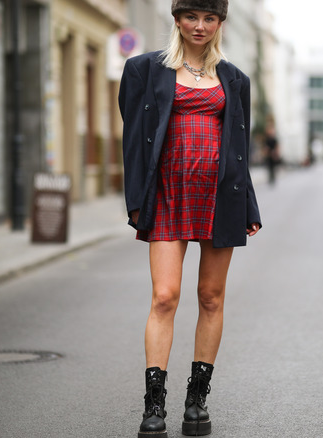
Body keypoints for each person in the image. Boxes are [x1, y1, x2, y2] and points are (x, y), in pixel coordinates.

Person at [118, 1, 261, 437]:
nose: (200, 26)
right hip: (167, 194)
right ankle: (154, 405)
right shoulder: (144, 69)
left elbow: (240, 149)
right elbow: (133, 143)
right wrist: (135, 198)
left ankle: (196, 401)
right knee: (165, 296)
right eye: (191, 17)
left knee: (211, 297)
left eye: (209, 18)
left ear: (220, 23)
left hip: (219, 197)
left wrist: (249, 205)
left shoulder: (235, 80)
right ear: (177, 19)